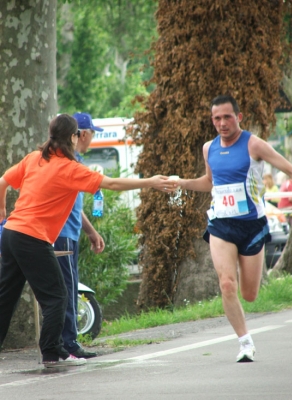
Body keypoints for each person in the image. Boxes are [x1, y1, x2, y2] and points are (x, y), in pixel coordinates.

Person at [0, 113, 177, 368]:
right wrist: (150, 181)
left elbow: (3, 181)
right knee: (57, 297)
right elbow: (112, 183)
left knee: (6, 298)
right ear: (73, 137)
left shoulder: (34, 158)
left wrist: (2, 213)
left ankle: (51, 349)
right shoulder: (69, 167)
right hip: (32, 237)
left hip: (11, 233)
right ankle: (51, 353)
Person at [177, 94, 292, 363]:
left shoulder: (254, 144)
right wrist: (182, 183)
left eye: (227, 117)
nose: (222, 123)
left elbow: (291, 170)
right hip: (221, 224)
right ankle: (245, 342)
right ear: (212, 120)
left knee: (250, 294)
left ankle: (246, 328)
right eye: (217, 118)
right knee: (227, 284)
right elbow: (210, 182)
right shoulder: (209, 148)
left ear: (239, 117)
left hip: (252, 226)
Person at [54, 112, 105, 359]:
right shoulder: (70, 164)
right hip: (62, 234)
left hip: (70, 233)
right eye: (92, 133)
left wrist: (91, 231)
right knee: (67, 288)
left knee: (66, 288)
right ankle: (69, 345)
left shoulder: (76, 162)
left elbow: (75, 205)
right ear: (81, 134)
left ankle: (63, 344)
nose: (92, 138)